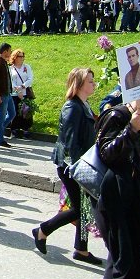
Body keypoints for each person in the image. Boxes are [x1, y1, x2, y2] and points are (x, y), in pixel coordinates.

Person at [92, 97, 140, 279]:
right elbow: (106, 153)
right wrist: (131, 130)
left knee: (126, 265)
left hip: (135, 200)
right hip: (117, 202)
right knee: (130, 270)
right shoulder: (117, 115)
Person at [33, 68, 102, 264]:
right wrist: (81, 168)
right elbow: (71, 143)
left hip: (80, 163)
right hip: (71, 164)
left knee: (84, 206)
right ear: (79, 84)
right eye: (89, 81)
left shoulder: (84, 105)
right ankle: (42, 230)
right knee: (81, 208)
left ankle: (81, 249)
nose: (93, 84)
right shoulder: (72, 107)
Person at [0, 42, 15, 147]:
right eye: (9, 51)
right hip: (2, 94)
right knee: (1, 116)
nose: (10, 53)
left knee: (12, 113)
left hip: (8, 93)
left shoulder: (4, 62)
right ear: (5, 52)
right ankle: (0, 139)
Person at [9, 48, 34, 138]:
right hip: (15, 93)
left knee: (26, 111)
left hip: (25, 92)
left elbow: (30, 79)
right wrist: (17, 90)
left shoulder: (26, 67)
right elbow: (11, 81)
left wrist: (23, 86)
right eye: (20, 56)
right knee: (15, 111)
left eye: (23, 56)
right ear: (15, 57)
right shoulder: (11, 68)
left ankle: (26, 129)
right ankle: (14, 129)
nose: (22, 58)